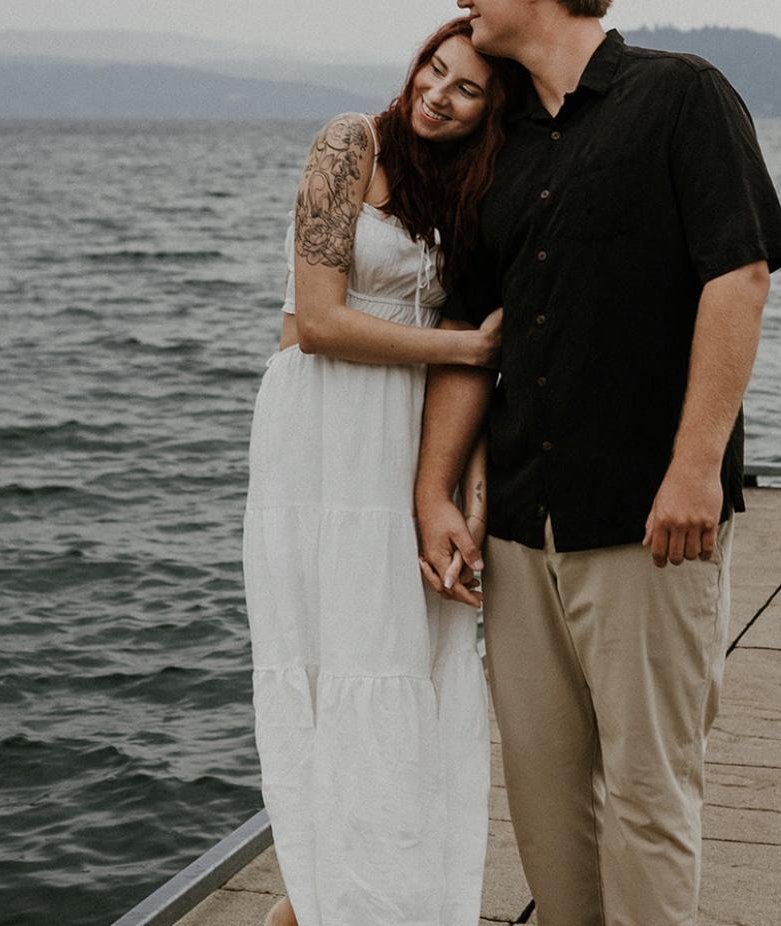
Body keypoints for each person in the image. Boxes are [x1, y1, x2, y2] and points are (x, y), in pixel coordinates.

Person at [416, 2, 781, 925]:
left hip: (648, 519)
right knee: (542, 801)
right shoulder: (502, 144)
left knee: (649, 795)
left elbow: (739, 274)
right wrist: (432, 493)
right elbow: (467, 329)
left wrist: (695, 468)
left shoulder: (682, 95)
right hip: (520, 526)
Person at [243, 18, 523, 926]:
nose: (438, 93)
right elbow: (320, 322)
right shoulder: (349, 143)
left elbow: (468, 339)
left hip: (409, 435)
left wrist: (468, 481)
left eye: (466, 88)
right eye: (434, 69)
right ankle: (324, 896)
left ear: (492, 111)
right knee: (335, 657)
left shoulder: (471, 186)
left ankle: (357, 901)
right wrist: (462, 348)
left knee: (408, 657)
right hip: (322, 429)